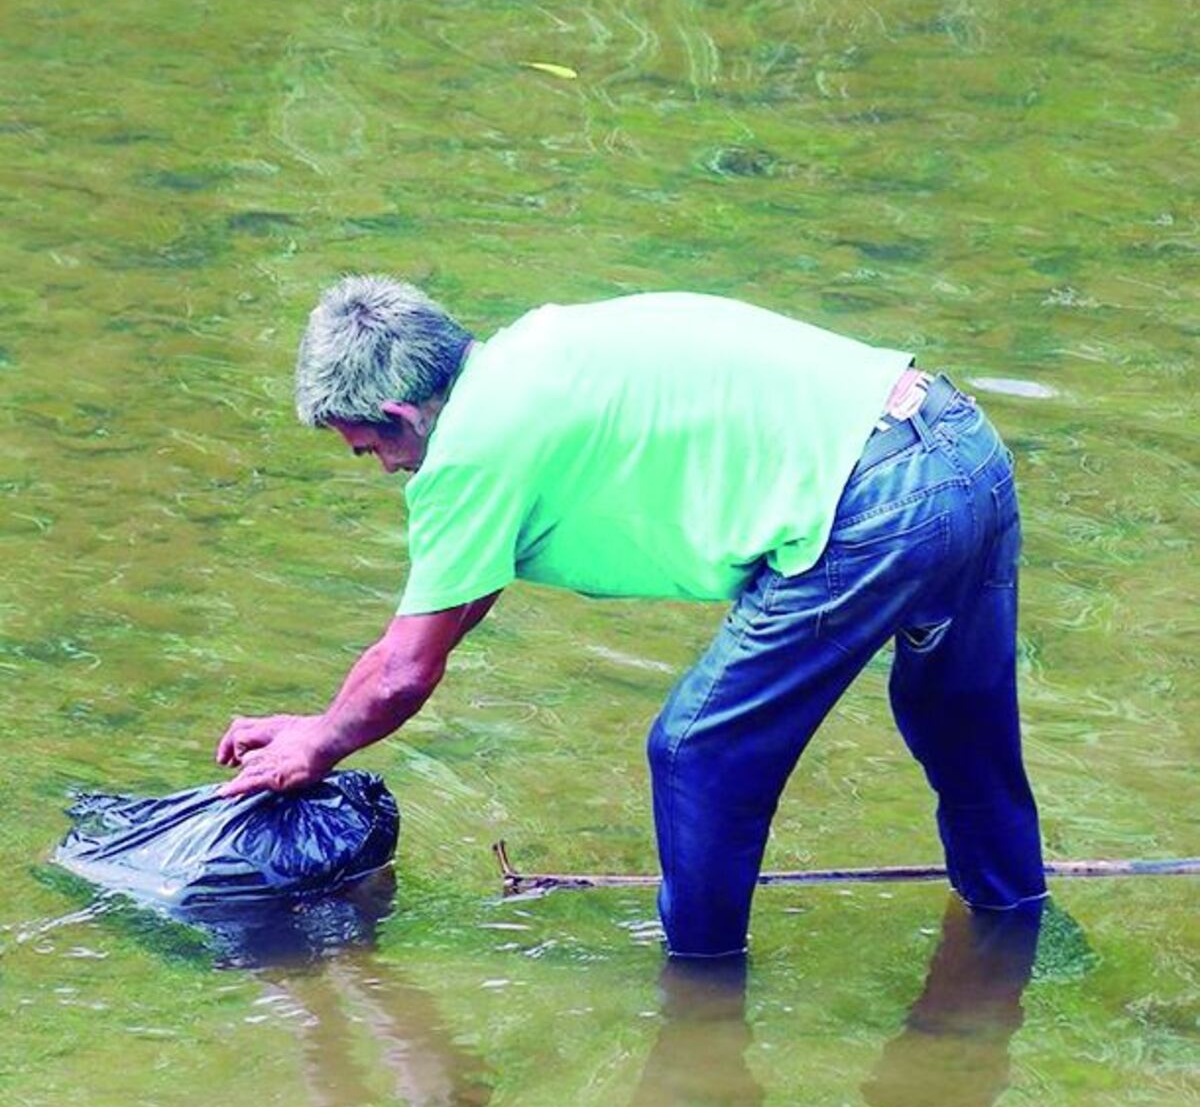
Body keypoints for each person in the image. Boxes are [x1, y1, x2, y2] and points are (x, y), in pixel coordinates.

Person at [217, 276, 1047, 956]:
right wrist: (324, 725)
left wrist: (324, 743)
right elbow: (448, 608)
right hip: (959, 444)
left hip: (874, 504)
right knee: (957, 726)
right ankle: (1017, 943)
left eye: (371, 450)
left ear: (401, 416)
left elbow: (406, 671)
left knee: (697, 751)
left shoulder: (470, 446)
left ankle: (701, 1005)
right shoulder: (536, 350)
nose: (384, 470)